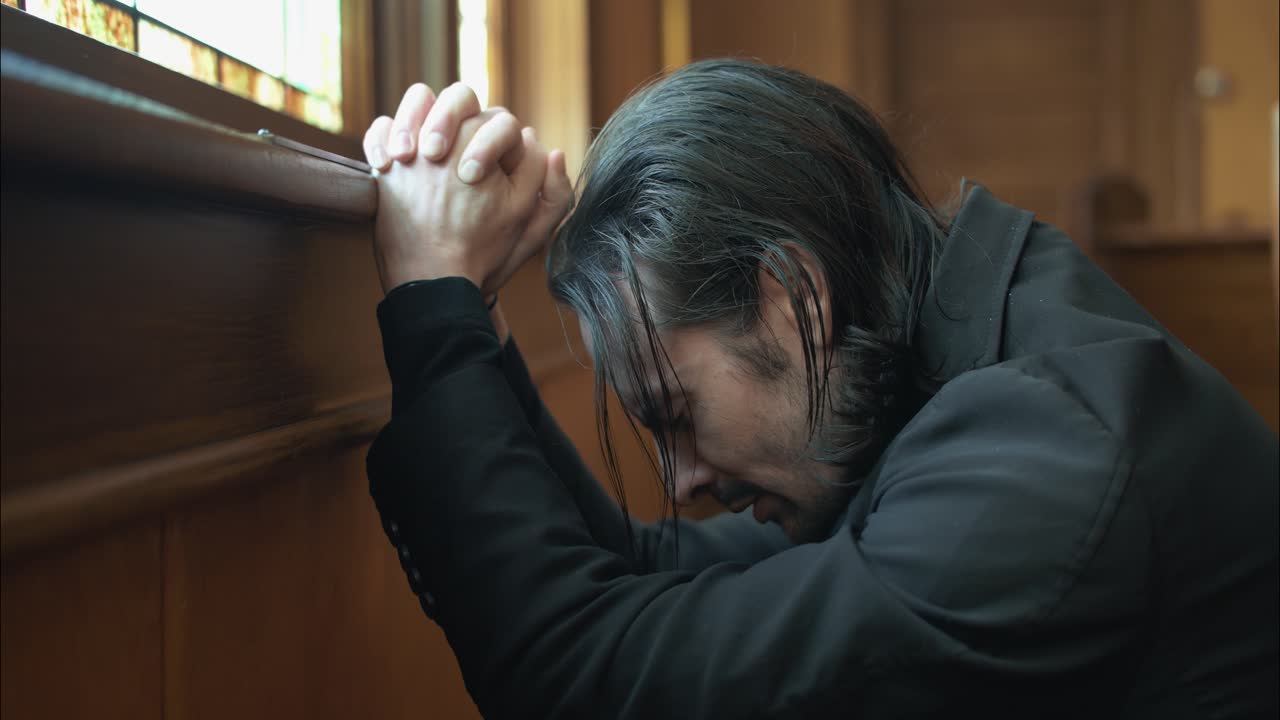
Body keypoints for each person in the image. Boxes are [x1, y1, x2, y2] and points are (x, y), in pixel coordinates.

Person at [360, 60, 1278, 718]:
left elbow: (586, 678)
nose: (679, 482)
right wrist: (470, 318)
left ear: (792, 294)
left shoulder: (1045, 456)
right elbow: (641, 574)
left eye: (678, 415)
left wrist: (428, 303)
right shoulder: (947, 346)